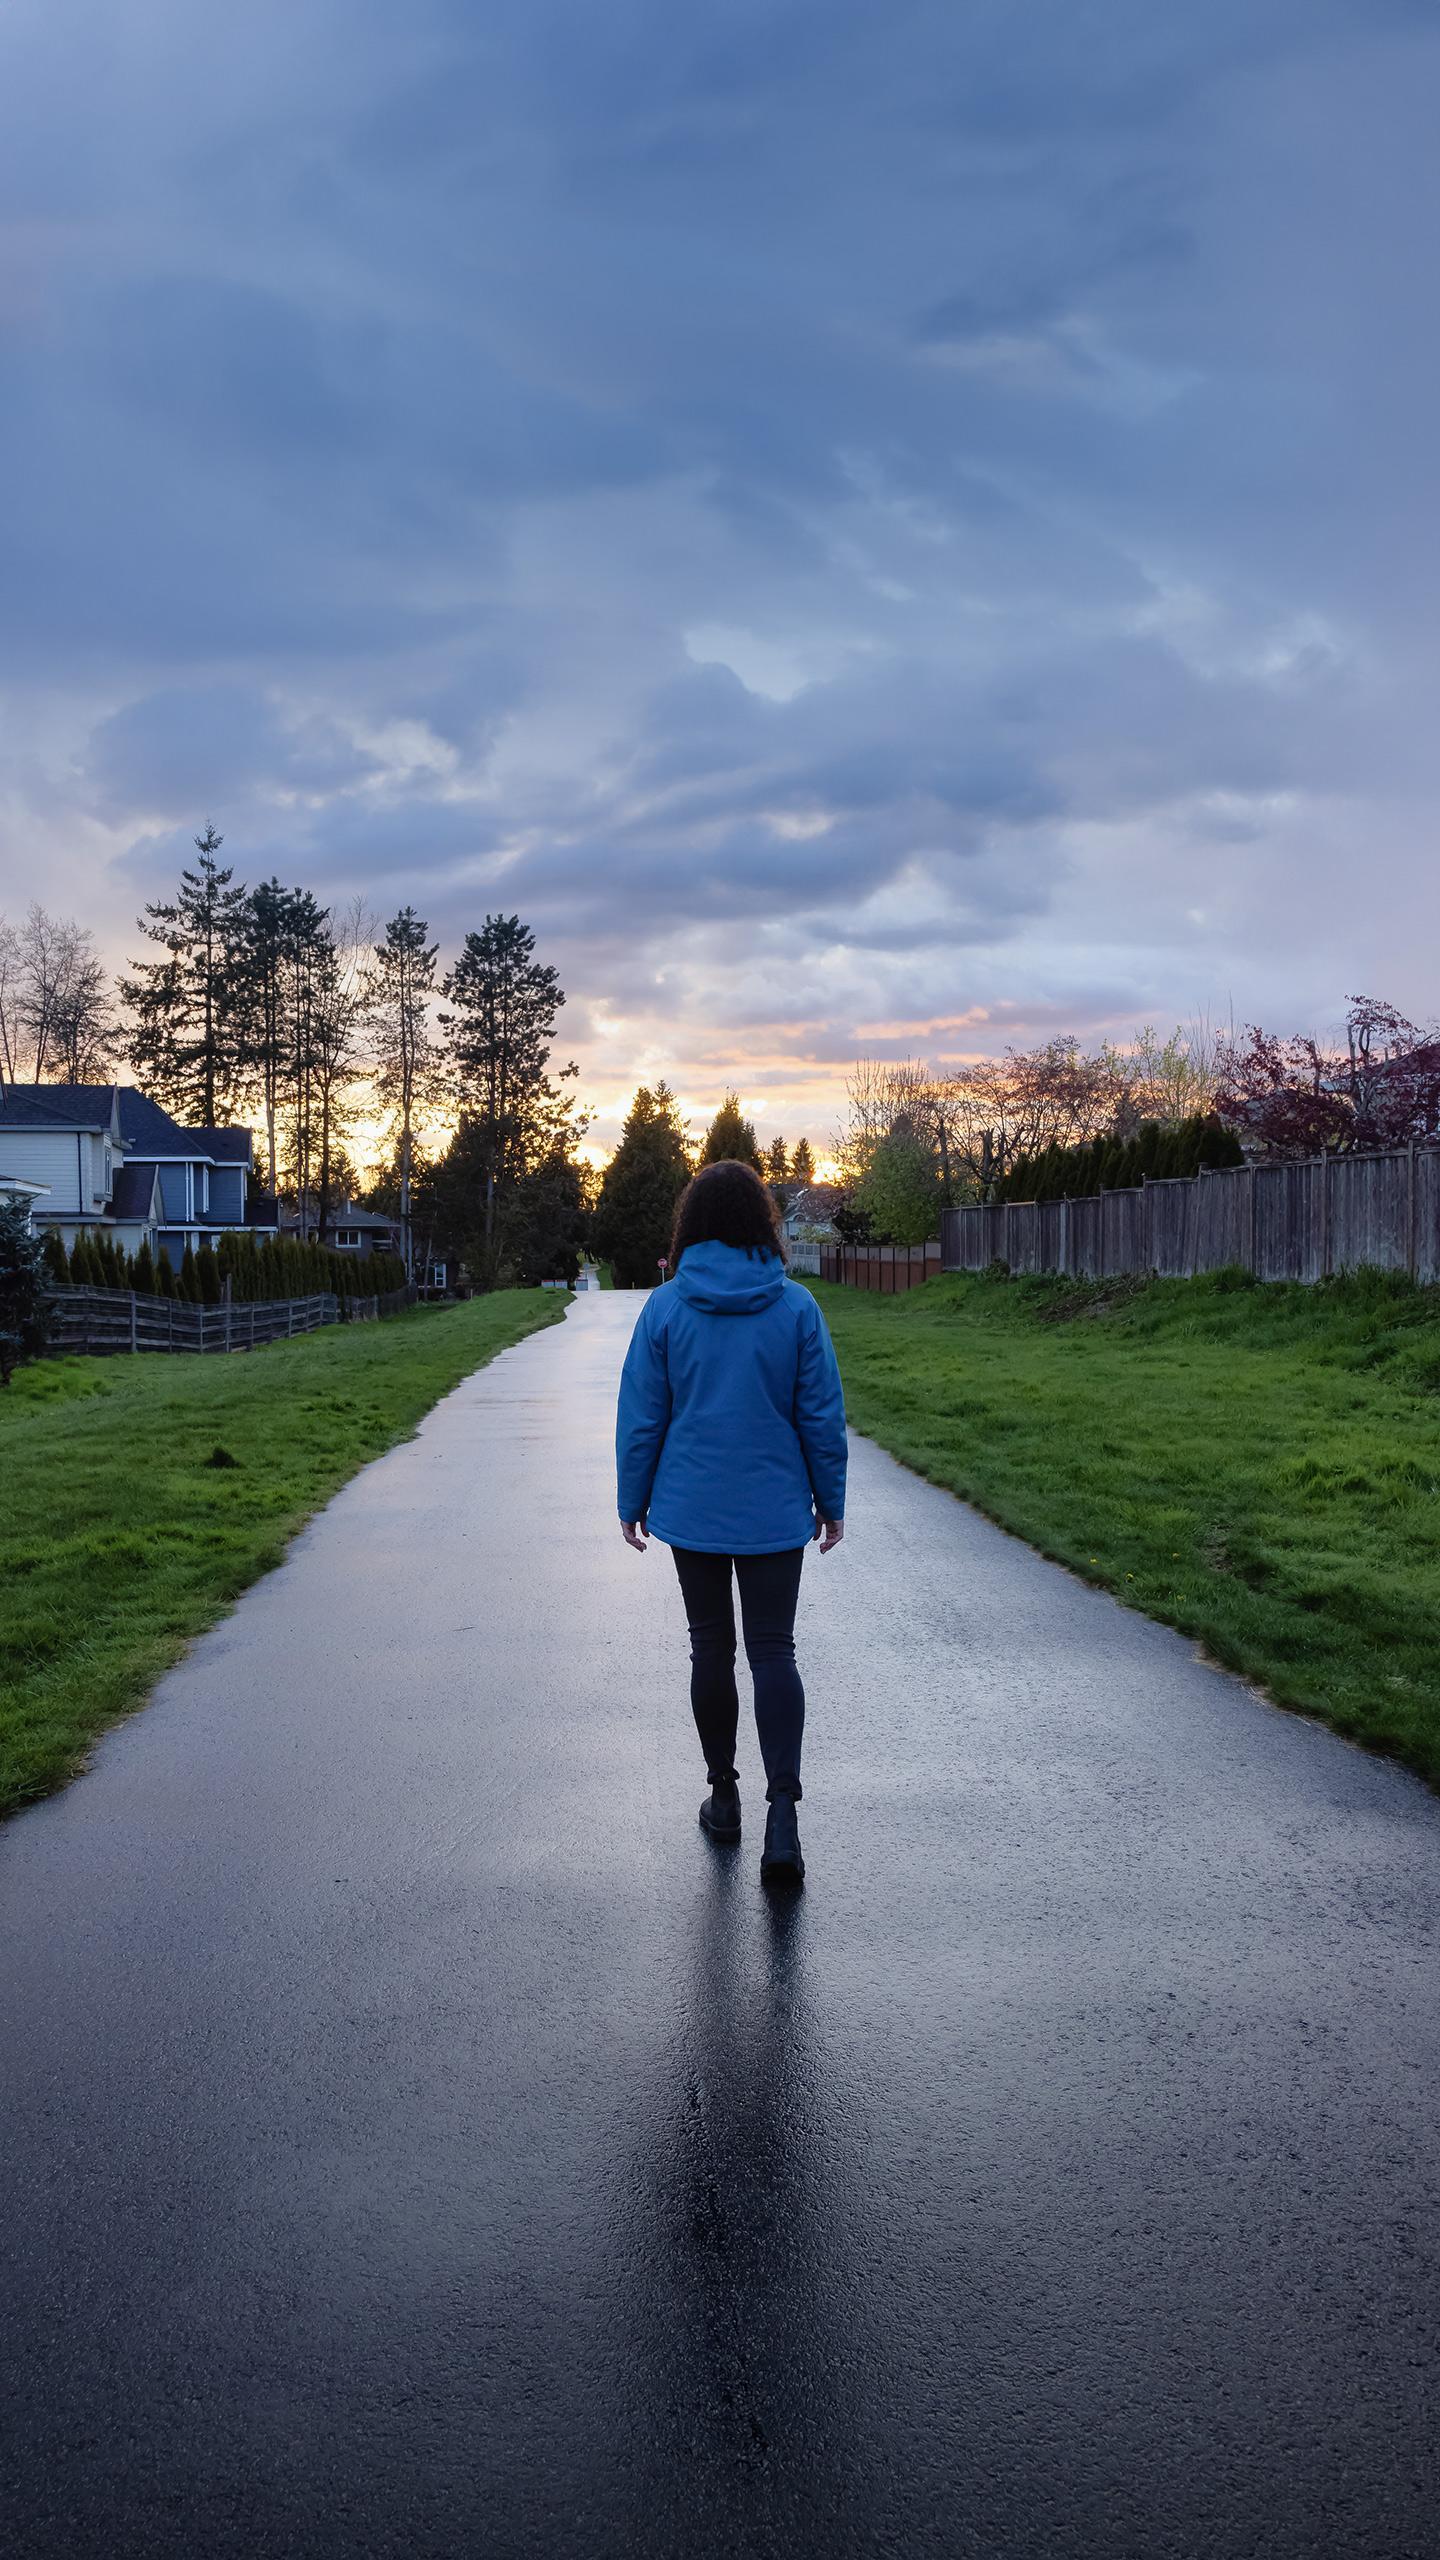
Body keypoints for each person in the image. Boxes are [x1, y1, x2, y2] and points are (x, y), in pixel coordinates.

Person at [615, 1158, 847, 1886]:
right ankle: (785, 1816)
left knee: (709, 1649)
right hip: (776, 1510)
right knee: (774, 1650)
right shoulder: (797, 1308)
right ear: (763, 1225)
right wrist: (830, 1501)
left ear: (691, 1228)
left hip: (694, 1509)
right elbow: (821, 1416)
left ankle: (724, 1795)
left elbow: (642, 1416)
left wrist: (633, 1500)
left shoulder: (665, 1308)